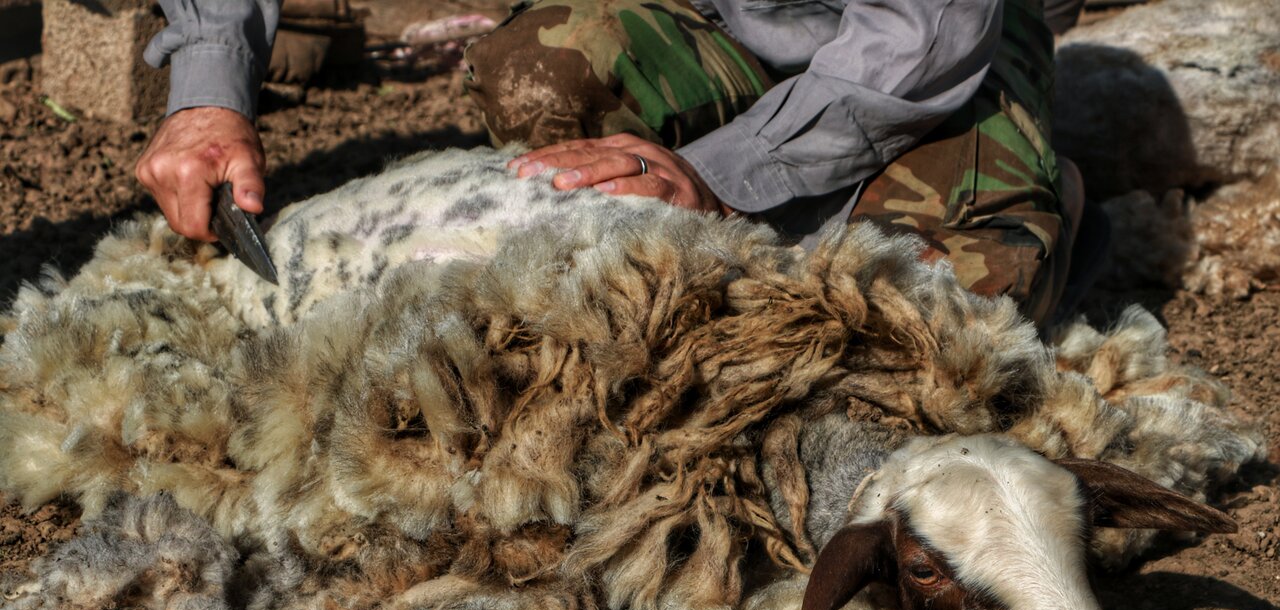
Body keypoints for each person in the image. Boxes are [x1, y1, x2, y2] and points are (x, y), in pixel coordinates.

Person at [136, 0, 1086, 327]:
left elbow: (926, 35)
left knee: (951, 312)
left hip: (937, 50)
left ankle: (1042, 187)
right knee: (543, 70)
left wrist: (720, 173)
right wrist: (209, 88)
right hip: (723, 20)